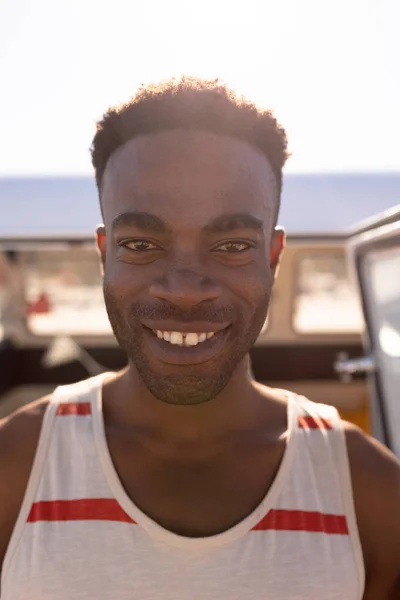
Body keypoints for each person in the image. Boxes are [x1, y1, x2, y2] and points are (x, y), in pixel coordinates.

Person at [0, 77, 399, 600]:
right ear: (105, 254)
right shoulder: (17, 466)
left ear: (272, 259)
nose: (185, 291)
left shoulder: (369, 491)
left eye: (232, 245)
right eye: (141, 243)